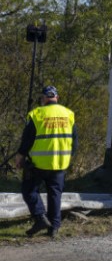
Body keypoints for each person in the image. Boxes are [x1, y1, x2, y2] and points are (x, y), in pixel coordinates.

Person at [15, 86, 76, 239]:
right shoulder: (68, 114)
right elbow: (75, 142)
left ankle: (40, 217)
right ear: (57, 97)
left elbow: (27, 139)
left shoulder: (37, 114)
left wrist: (20, 156)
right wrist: (69, 157)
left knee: (29, 190)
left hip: (38, 163)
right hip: (60, 163)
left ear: (43, 98)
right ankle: (54, 228)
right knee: (55, 194)